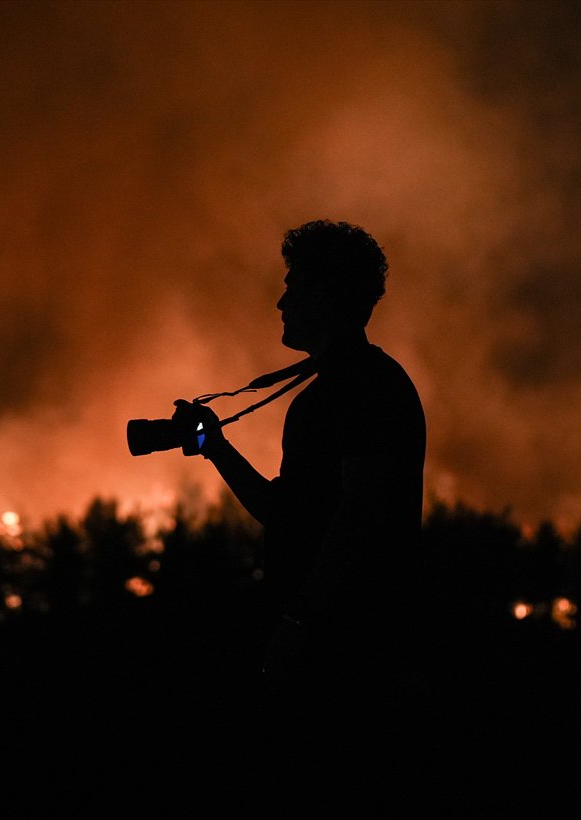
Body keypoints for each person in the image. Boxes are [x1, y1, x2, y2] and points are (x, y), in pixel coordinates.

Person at [174, 220, 426, 736]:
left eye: (294, 285)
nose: (281, 303)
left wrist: (299, 622)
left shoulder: (354, 388)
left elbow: (357, 516)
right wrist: (215, 448)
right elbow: (284, 513)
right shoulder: (354, 385)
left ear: (327, 293)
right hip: (343, 639)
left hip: (343, 647)